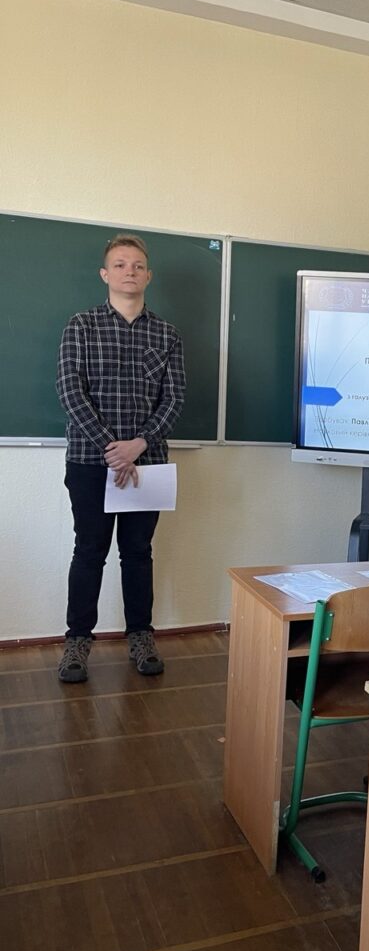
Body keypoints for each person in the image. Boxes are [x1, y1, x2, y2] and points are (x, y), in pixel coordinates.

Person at [55, 234, 185, 683]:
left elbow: (175, 398)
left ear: (148, 275)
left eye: (137, 265)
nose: (130, 271)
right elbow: (70, 392)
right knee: (89, 551)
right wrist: (113, 449)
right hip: (90, 462)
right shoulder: (81, 326)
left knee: (138, 553)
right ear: (105, 274)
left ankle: (141, 637)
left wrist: (139, 445)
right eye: (120, 264)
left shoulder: (166, 334)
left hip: (148, 463)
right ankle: (77, 642)